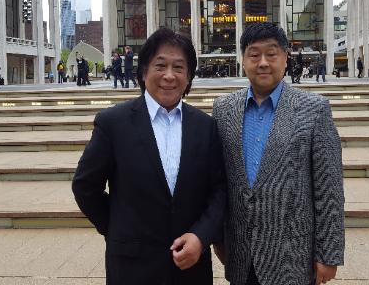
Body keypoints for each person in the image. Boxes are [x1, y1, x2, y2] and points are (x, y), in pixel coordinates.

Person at [72, 28, 226, 285]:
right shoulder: (113, 123)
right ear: (144, 71)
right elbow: (85, 186)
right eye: (160, 65)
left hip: (191, 268)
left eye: (179, 67)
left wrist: (201, 237)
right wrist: (119, 229)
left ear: (189, 77)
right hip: (132, 267)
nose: (169, 75)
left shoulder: (205, 126)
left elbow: (219, 190)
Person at [212, 22, 345, 285]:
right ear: (243, 60)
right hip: (240, 256)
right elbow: (218, 182)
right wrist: (218, 239)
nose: (263, 62)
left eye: (271, 54)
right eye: (254, 54)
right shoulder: (224, 109)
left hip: (292, 258)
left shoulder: (314, 109)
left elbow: (329, 190)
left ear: (285, 57)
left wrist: (328, 255)